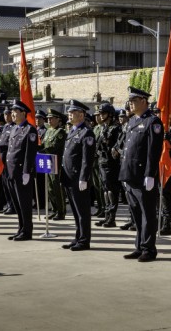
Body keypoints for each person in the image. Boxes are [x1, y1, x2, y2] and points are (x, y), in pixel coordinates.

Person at [119, 86, 164, 262]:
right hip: (129, 175)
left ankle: (149, 249)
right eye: (130, 100)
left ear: (144, 101)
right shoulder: (131, 122)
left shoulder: (153, 122)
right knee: (136, 214)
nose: (130, 103)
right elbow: (127, 150)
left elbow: (153, 151)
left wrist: (150, 175)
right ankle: (139, 246)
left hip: (143, 176)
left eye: (134, 100)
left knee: (147, 214)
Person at [61, 100, 97, 251]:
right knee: (75, 211)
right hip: (69, 177)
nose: (69, 114)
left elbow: (86, 159)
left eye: (72, 112)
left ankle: (84, 240)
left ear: (81, 114)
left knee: (82, 211)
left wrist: (84, 177)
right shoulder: (72, 130)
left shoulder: (86, 132)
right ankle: (78, 236)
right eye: (69, 112)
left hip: (78, 178)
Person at [6, 100, 38, 241]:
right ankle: (20, 228)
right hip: (12, 172)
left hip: (21, 172)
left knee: (24, 204)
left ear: (23, 113)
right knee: (17, 204)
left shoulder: (29, 130)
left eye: (15, 112)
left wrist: (27, 171)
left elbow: (29, 153)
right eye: (12, 112)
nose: (13, 114)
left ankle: (27, 231)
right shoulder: (14, 128)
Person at [95, 103, 122, 228]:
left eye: (103, 113)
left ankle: (112, 218)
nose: (101, 116)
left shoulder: (116, 128)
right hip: (102, 162)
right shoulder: (103, 127)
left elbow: (116, 146)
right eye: (100, 113)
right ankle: (106, 215)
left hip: (111, 163)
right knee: (105, 191)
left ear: (110, 114)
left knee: (111, 191)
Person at [40, 108, 67, 220]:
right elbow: (43, 144)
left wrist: (39, 150)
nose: (49, 120)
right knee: (50, 188)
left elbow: (53, 148)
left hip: (56, 162)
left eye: (52, 118)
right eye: (48, 118)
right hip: (47, 162)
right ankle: (54, 209)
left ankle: (61, 212)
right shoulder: (48, 131)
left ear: (58, 119)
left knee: (57, 188)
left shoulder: (60, 132)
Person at [0, 107, 16, 214]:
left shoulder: (14, 127)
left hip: (8, 157)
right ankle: (8, 203)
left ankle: (13, 205)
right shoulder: (5, 127)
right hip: (2, 158)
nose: (7, 117)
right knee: (5, 183)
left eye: (9, 114)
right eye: (5, 115)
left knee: (10, 183)